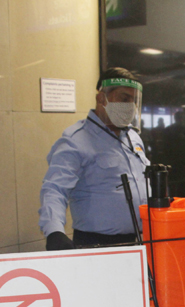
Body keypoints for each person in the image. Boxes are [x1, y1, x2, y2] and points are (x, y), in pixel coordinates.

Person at [39, 68, 150, 249]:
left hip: (137, 242)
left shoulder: (133, 138)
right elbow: (55, 189)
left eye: (133, 100)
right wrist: (54, 232)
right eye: (124, 99)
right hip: (95, 244)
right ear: (101, 98)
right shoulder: (76, 140)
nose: (131, 106)